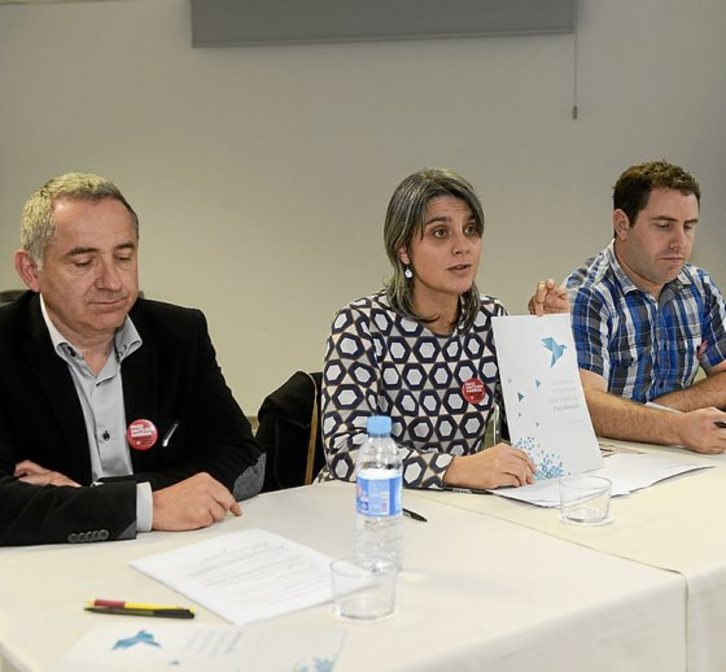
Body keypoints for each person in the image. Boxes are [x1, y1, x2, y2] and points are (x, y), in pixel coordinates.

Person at [0, 172, 264, 546]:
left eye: (123, 257)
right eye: (83, 263)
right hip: (47, 564)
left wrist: (105, 497)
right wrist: (146, 506)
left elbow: (245, 457)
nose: (112, 282)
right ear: (31, 270)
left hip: (172, 551)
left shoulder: (179, 333)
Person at [321, 168, 563, 491]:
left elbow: (534, 430)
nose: (462, 247)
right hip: (367, 504)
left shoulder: (489, 318)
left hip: (453, 507)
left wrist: (548, 337)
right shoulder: (361, 324)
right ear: (403, 250)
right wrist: (453, 468)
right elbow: (345, 452)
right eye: (440, 233)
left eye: (470, 230)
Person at [563, 160, 726, 453]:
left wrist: (666, 409)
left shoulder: (699, 287)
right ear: (622, 224)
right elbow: (585, 405)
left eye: (689, 226)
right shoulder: (588, 295)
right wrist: (675, 426)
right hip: (612, 458)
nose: (680, 242)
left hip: (681, 454)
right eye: (664, 226)